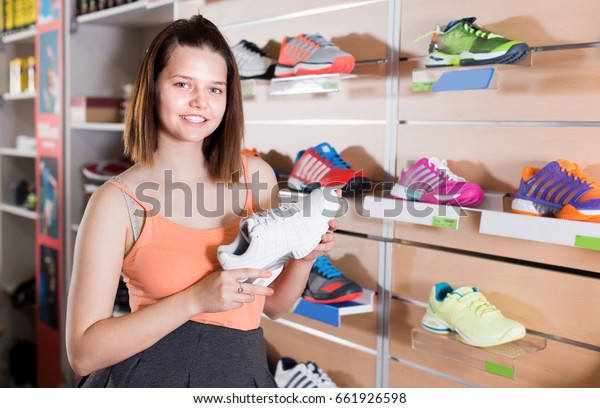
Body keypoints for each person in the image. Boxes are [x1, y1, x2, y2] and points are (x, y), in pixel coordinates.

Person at [65, 15, 339, 388]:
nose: (200, 102)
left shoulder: (256, 177)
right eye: (183, 84)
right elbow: (82, 353)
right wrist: (196, 299)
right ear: (153, 87)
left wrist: (304, 260)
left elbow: (271, 305)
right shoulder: (116, 202)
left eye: (215, 89)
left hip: (242, 376)